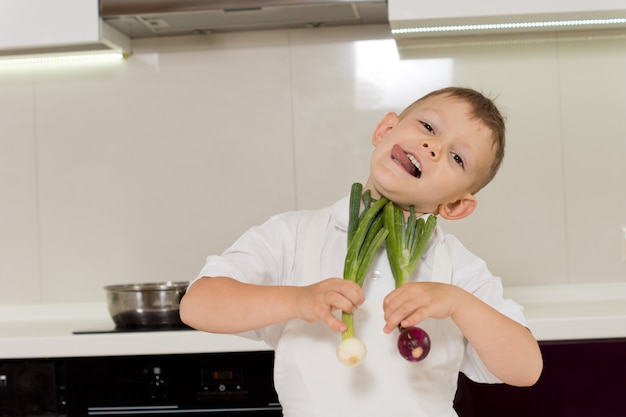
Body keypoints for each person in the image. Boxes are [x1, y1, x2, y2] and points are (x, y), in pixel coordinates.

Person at [180, 86, 543, 417]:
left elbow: (526, 369)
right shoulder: (292, 235)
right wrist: (299, 300)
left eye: (457, 158)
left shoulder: (457, 269)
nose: (433, 147)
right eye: (429, 128)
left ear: (456, 206)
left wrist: (458, 303)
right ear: (385, 130)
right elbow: (198, 305)